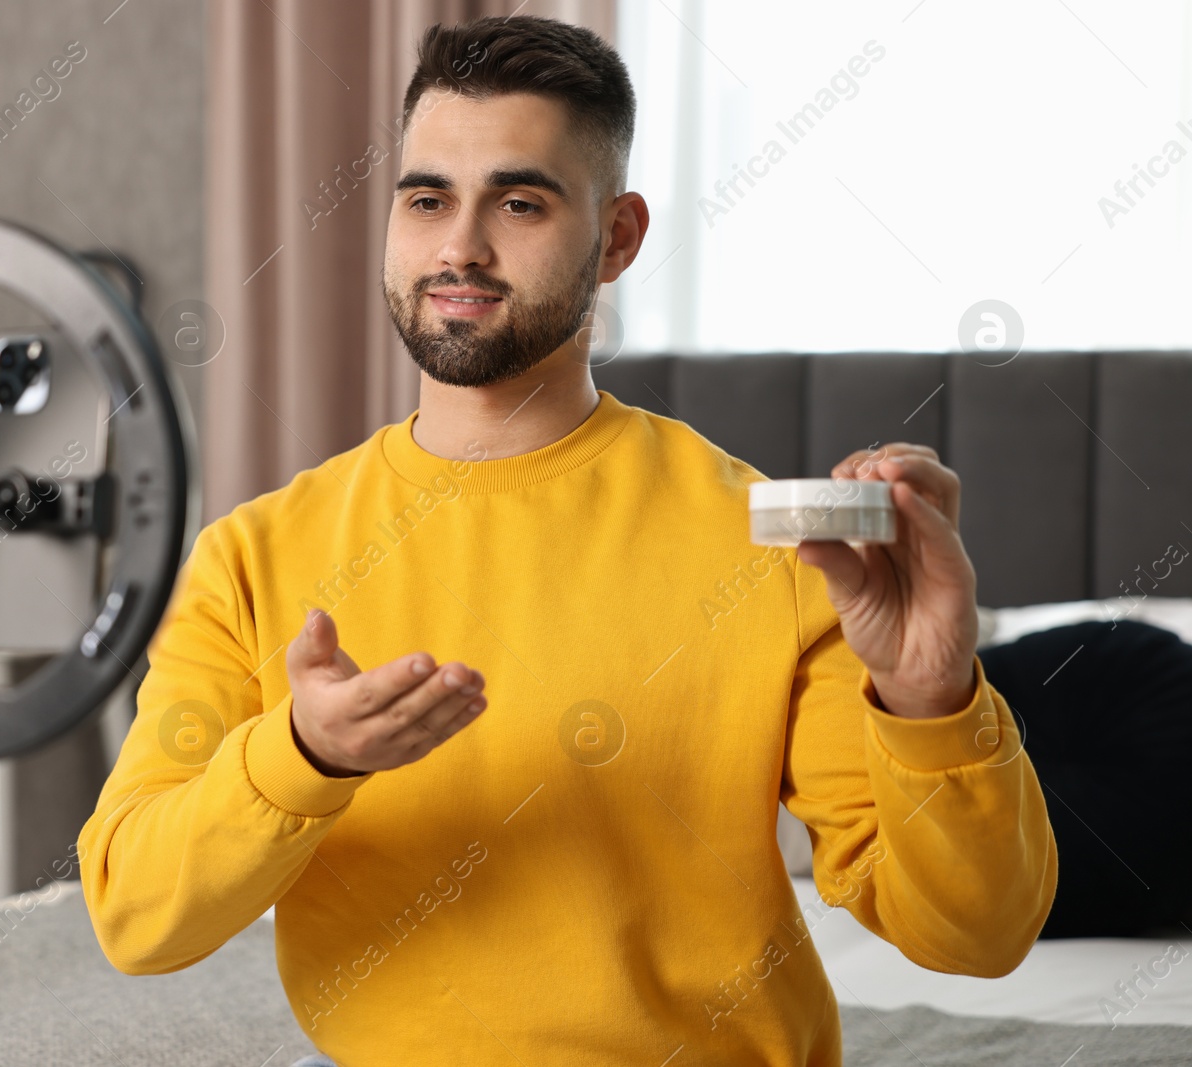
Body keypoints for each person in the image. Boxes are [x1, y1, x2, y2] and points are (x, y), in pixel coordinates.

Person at [78, 15, 1057, 1066]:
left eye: (520, 201)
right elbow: (137, 916)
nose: (458, 245)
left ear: (619, 237)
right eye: (425, 199)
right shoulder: (254, 554)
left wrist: (931, 698)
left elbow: (976, 935)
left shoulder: (768, 545)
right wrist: (304, 753)